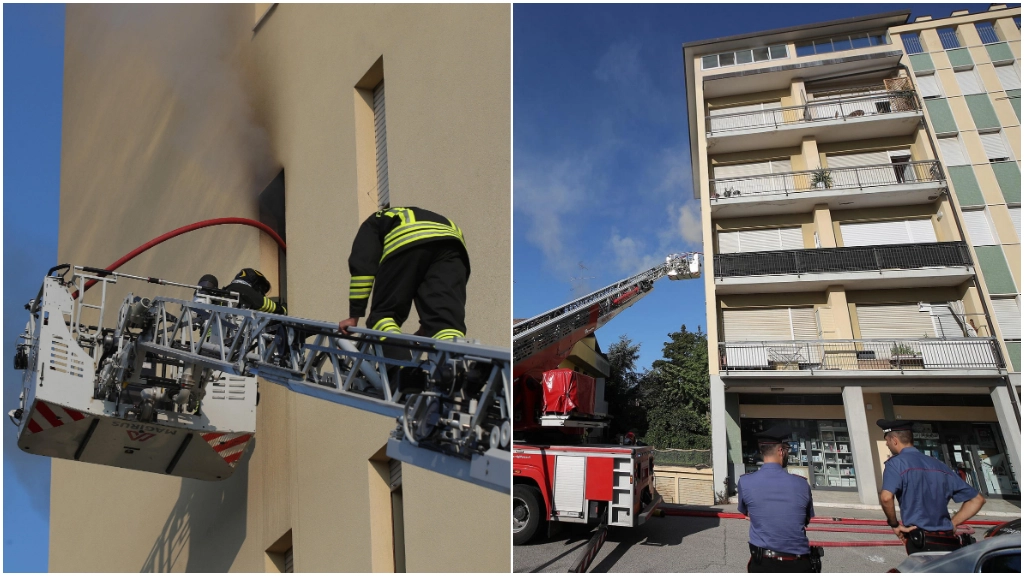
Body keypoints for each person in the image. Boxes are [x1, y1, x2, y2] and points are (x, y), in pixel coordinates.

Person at [338, 206, 469, 341]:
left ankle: (398, 362)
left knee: (383, 317)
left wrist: (354, 316)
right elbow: (440, 285)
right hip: (454, 242)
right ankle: (453, 359)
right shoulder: (432, 220)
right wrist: (428, 322)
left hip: (409, 235)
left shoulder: (373, 222)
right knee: (445, 325)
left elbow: (363, 269)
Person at [877, 419, 986, 555]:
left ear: (894, 440)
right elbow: (977, 499)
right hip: (948, 540)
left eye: (887, 441)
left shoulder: (896, 464)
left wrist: (894, 525)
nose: (887, 444)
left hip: (921, 540)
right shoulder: (938, 465)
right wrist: (954, 523)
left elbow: (886, 498)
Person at [737, 424, 820, 573]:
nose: (788, 453)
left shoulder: (745, 482)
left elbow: (747, 513)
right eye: (787, 449)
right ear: (780, 451)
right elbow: (806, 519)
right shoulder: (801, 483)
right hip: (799, 564)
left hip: (763, 564)